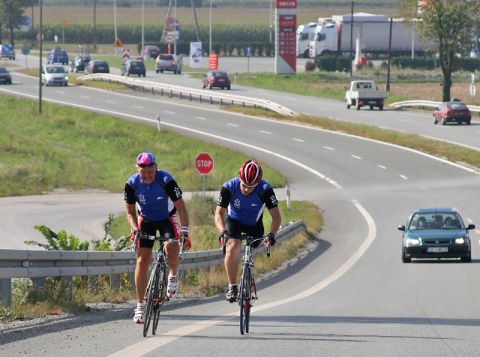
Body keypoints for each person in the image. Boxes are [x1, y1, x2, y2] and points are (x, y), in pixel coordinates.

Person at [124, 152, 191, 324]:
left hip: (166, 219)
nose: (147, 176)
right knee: (142, 260)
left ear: (156, 168)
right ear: (138, 170)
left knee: (172, 251)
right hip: (145, 220)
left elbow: (181, 208)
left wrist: (184, 231)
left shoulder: (166, 180)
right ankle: (140, 305)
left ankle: (173, 275)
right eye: (143, 172)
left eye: (150, 172)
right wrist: (134, 229)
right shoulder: (131, 184)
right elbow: (130, 212)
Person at [214, 160, 282, 303]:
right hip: (234, 222)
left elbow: (276, 217)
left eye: (251, 187)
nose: (246, 189)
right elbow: (219, 214)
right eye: (244, 185)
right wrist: (223, 231)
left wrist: (271, 235)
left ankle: (248, 268)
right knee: (232, 248)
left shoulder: (265, 190)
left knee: (251, 247)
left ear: (257, 183)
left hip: (254, 225)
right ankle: (232, 286)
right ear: (239, 179)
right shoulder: (229, 187)